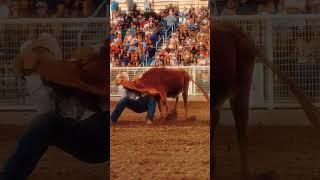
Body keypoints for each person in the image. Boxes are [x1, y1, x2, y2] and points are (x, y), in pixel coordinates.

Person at [0, 34, 108, 180]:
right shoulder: (62, 73)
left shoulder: (75, 66)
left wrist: (96, 50)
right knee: (44, 123)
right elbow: (48, 113)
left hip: (102, 128)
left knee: (45, 123)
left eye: (41, 51)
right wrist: (32, 75)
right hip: (96, 134)